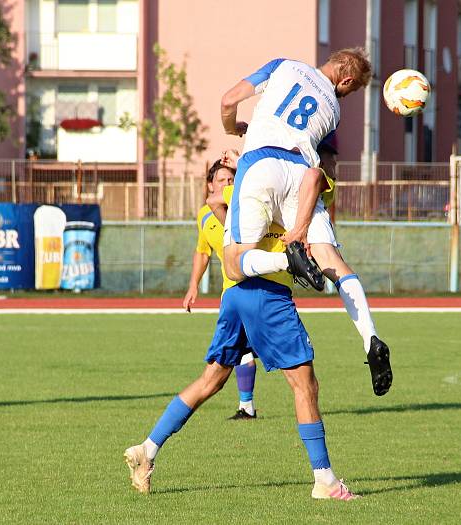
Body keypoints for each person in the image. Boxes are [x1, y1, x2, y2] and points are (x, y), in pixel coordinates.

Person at [124, 176, 359, 501]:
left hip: (235, 296)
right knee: (305, 384)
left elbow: (218, 201)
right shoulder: (280, 180)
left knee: (211, 381)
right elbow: (318, 183)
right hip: (266, 294)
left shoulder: (252, 186)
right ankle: (325, 482)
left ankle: (147, 449)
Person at [220, 48, 392, 396]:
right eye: (353, 88)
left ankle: (288, 259)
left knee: (235, 264)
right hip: (303, 173)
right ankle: (370, 337)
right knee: (332, 260)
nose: (349, 93)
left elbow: (228, 101)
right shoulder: (333, 109)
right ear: (344, 81)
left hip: (261, 164)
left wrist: (232, 128)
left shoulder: (283, 66)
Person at [183, 159, 259, 420]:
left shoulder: (246, 210)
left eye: (231, 180)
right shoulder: (204, 215)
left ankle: (247, 406)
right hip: (231, 294)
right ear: (210, 185)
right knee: (242, 349)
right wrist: (193, 284)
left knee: (244, 350)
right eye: (222, 180)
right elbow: (202, 251)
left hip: (256, 286)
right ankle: (246, 406)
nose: (227, 184)